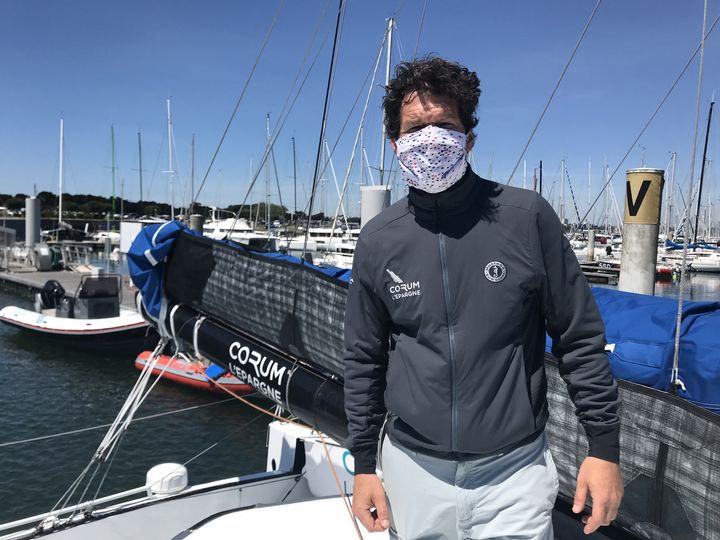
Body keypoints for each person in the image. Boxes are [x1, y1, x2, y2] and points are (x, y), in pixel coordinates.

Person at [344, 57, 623, 539]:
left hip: (514, 472)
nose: (430, 138)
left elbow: (579, 338)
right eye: (416, 128)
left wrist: (604, 448)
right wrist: (364, 464)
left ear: (468, 139)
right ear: (394, 144)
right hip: (412, 470)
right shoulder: (378, 240)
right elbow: (364, 359)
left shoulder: (527, 218)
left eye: (445, 125)